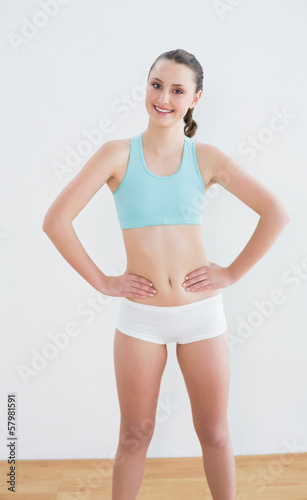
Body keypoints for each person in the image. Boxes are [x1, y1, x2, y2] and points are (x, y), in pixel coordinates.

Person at [42, 48, 290, 500]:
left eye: (178, 90)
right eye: (157, 84)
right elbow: (55, 221)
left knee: (214, 432)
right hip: (141, 320)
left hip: (202, 317)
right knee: (135, 435)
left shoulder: (207, 157)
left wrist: (232, 273)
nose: (164, 97)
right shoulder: (116, 155)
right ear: (146, 86)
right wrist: (103, 281)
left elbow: (275, 212)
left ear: (195, 98)